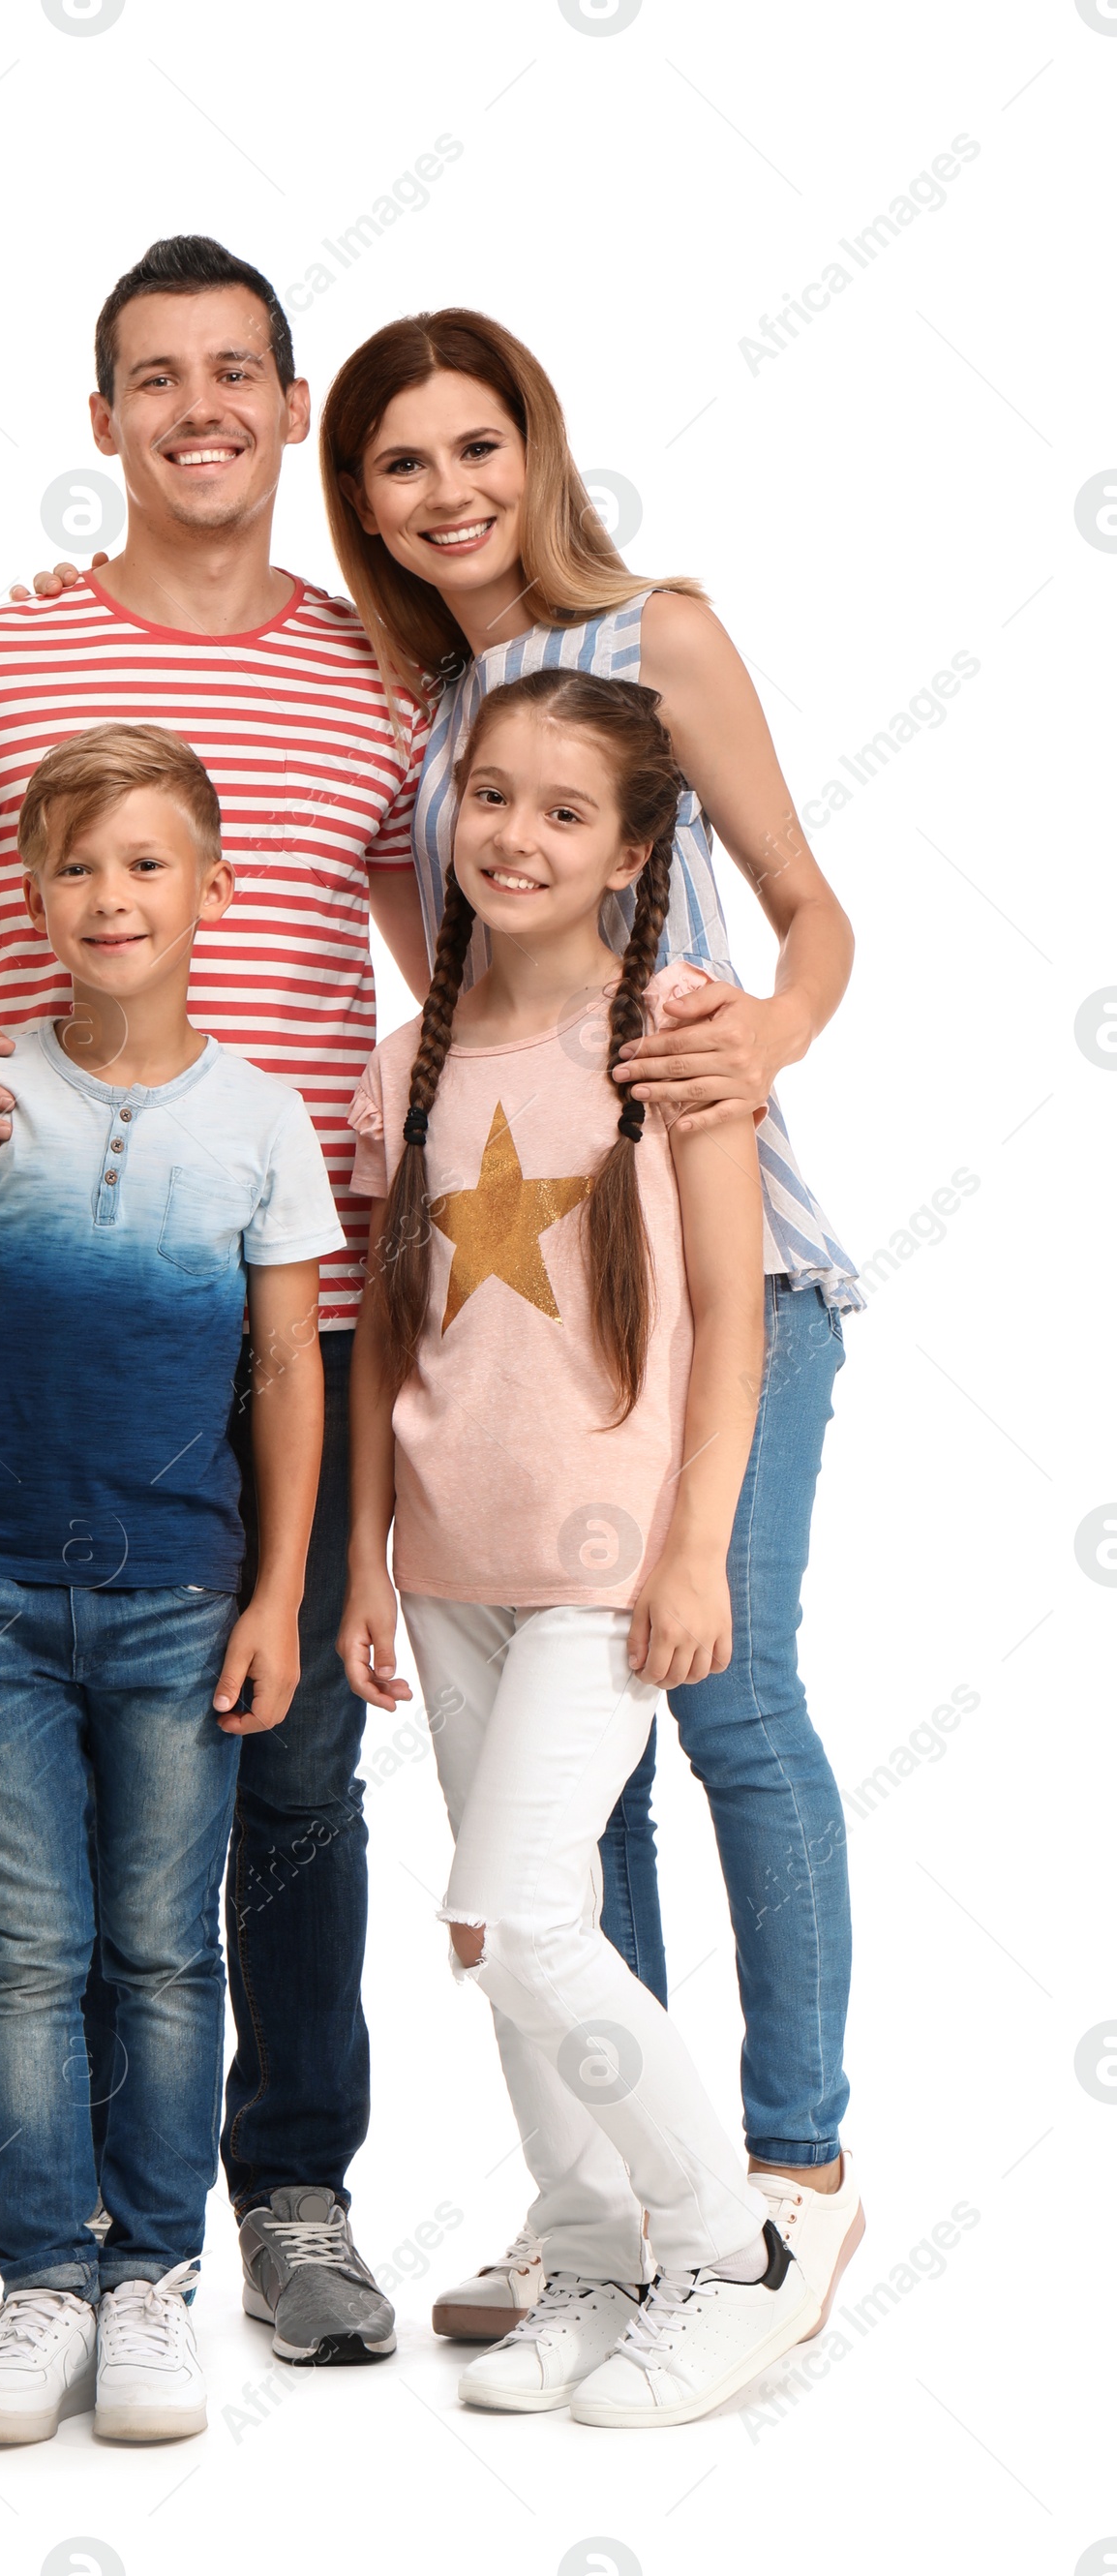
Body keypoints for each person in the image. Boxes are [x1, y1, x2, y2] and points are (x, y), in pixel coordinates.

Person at [0, 236, 427, 2367]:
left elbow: (449, 960)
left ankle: (283, 2193)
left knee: (295, 1770)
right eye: (154, 377)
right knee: (53, 1833)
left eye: (239, 374)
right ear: (102, 422)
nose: (199, 408)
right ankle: (69, 2242)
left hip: (312, 1298)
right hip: (59, 1311)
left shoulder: (379, 671)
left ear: (287, 411)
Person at [320, 309, 864, 2336]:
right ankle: (621, 2207)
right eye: (398, 462)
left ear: (535, 446)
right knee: (571, 1786)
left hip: (730, 1263)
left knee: (725, 1686)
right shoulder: (415, 711)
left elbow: (808, 906)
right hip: (527, 1310)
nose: (447, 490)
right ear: (360, 499)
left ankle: (790, 2171)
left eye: (477, 444)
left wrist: (753, 1041)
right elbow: (467, 1012)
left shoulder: (660, 633)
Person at [342, 667, 820, 2425]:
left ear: (633, 850)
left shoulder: (675, 1029)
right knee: (495, 1927)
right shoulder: (406, 1061)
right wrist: (364, 1565)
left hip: (606, 1562)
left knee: (530, 1907)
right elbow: (396, 1333)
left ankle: (732, 2243)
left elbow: (727, 1312)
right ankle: (588, 2238)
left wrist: (695, 1549)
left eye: (562, 810)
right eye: (490, 797)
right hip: (452, 1563)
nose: (515, 834)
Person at [0, 723, 347, 2442]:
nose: (108, 894)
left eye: (147, 862)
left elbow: (294, 1374)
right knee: (29, 1946)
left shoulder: (265, 1123)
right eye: (73, 864)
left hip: (180, 1603)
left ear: (215, 889)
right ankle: (41, 2284)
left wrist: (281, 1593)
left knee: (157, 1949)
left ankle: (151, 2277)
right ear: (31, 893)